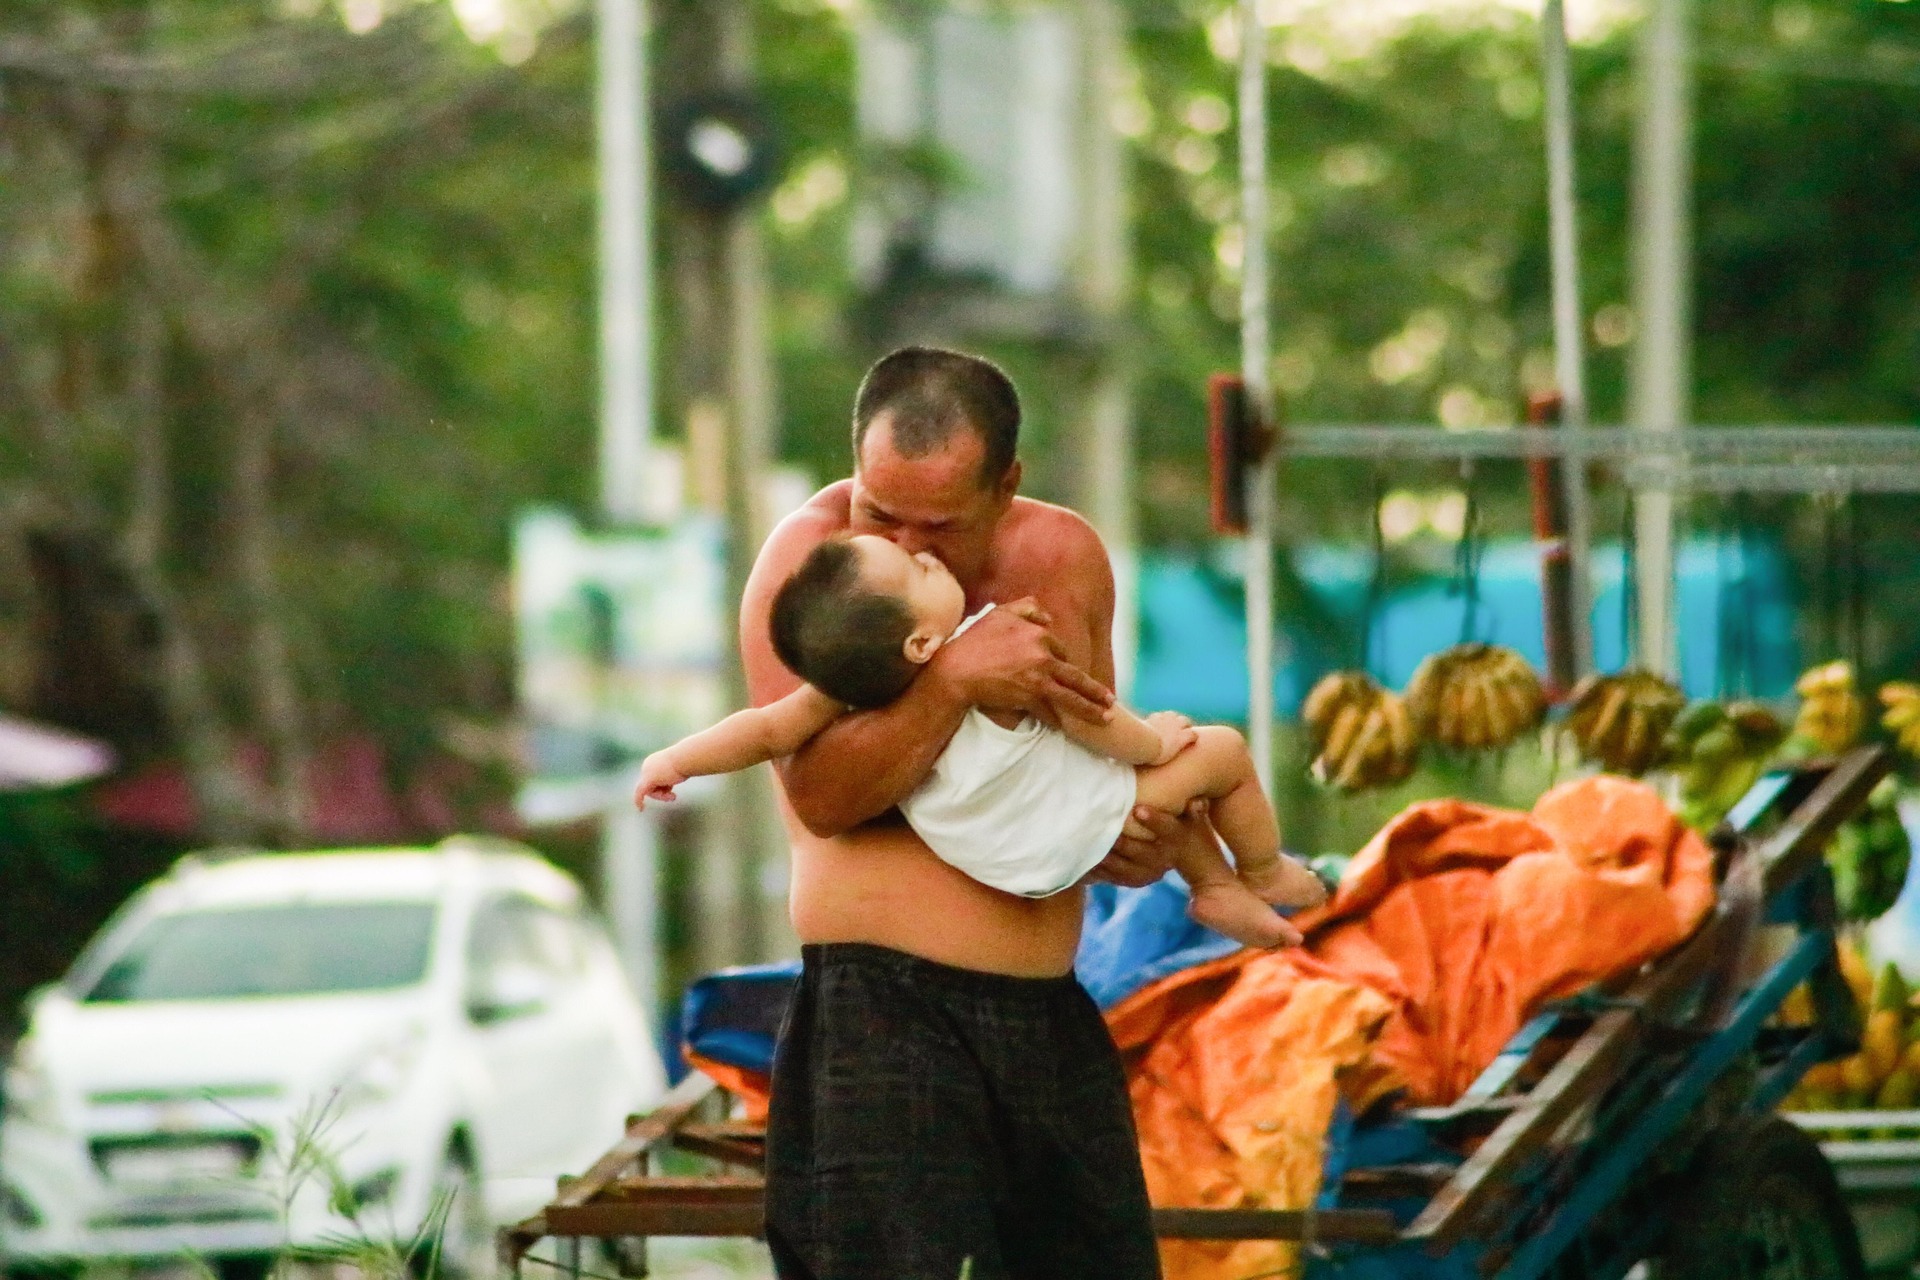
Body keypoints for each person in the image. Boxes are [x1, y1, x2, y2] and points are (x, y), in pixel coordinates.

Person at [725, 345, 1232, 1280]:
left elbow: (1087, 779)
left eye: (941, 525)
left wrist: (1135, 838)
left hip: (1044, 1011)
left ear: (1007, 488)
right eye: (881, 513)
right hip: (883, 1014)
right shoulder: (816, 569)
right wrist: (954, 676)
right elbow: (823, 797)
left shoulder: (1063, 555)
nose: (908, 551)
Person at [635, 531, 1325, 949]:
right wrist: (1155, 743)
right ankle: (1259, 872)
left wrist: (675, 759)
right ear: (921, 641)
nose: (930, 556)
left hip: (1004, 863)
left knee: (1164, 800)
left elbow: (760, 731)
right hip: (1076, 833)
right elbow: (1086, 715)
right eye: (917, 571)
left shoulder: (850, 695)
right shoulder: (989, 650)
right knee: (1220, 754)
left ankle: (1212, 887)